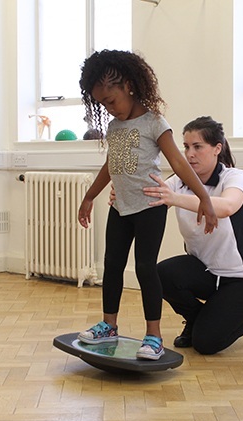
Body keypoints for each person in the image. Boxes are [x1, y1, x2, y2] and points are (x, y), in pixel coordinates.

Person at [75, 50, 218, 361]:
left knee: (144, 268)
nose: (109, 108)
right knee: (112, 265)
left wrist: (204, 198)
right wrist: (89, 196)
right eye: (102, 104)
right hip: (121, 207)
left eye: (111, 101)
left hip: (150, 207)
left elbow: (179, 163)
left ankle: (153, 335)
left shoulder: (154, 122)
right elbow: (111, 165)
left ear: (128, 85)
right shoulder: (115, 127)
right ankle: (108, 325)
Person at [111, 116, 243, 355]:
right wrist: (124, 194)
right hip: (205, 271)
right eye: (186, 147)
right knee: (160, 275)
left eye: (198, 147)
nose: (190, 154)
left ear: (217, 148)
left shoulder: (235, 177)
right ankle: (198, 319)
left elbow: (227, 206)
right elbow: (150, 199)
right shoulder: (178, 182)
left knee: (206, 344)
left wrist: (175, 199)